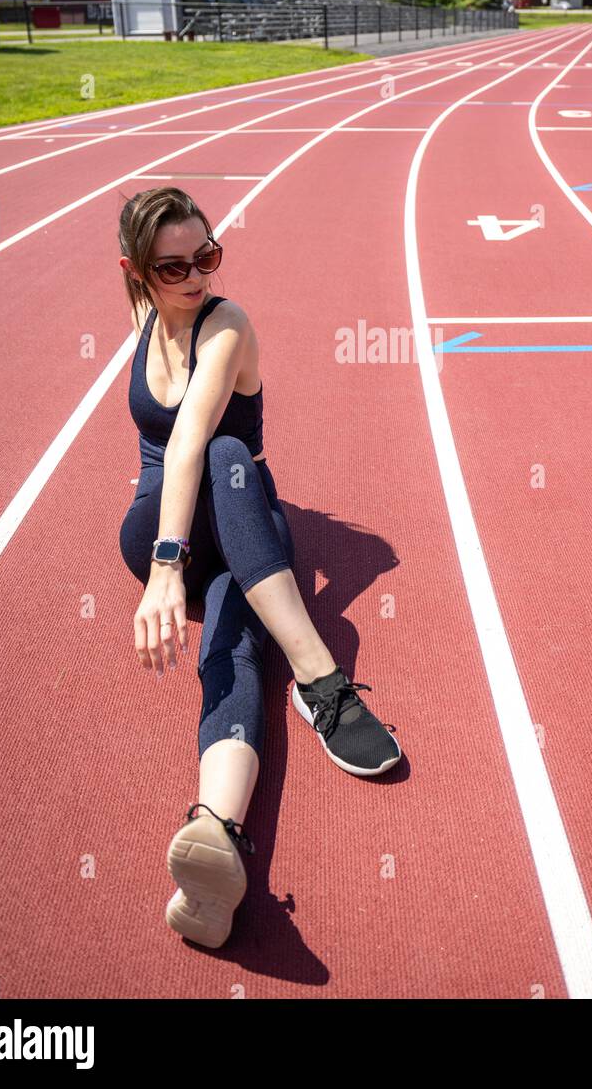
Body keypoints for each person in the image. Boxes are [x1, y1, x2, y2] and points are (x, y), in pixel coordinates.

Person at [117, 186, 401, 948]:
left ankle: (216, 834)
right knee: (217, 454)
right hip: (161, 528)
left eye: (206, 256)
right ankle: (321, 676)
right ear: (137, 271)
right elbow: (167, 452)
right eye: (171, 266)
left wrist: (170, 570)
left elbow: (191, 441)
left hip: (228, 521)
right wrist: (165, 562)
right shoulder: (142, 315)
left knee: (231, 639)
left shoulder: (227, 324)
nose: (194, 277)